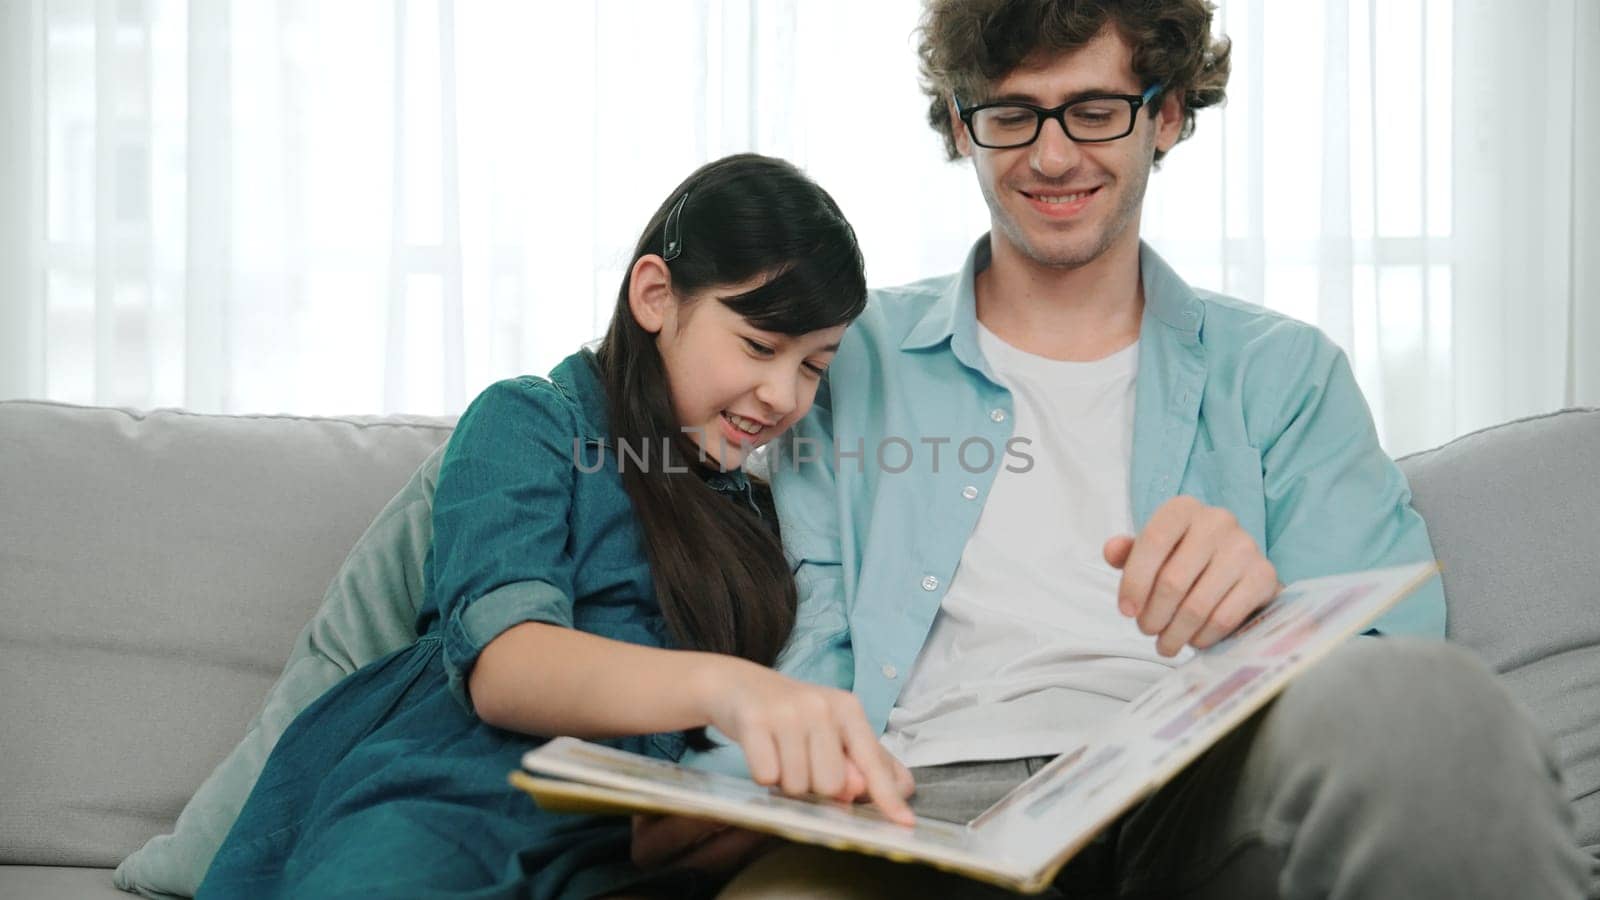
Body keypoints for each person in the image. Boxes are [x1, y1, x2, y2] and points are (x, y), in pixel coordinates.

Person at [644, 3, 1595, 898]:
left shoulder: (1283, 373)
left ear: (1168, 113)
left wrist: (1265, 614)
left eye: (1094, 111)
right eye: (1013, 114)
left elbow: (1396, 663)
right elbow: (808, 628)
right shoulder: (846, 359)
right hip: (915, 802)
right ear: (960, 124)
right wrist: (730, 780)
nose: (1053, 155)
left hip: (1194, 797)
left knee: (1422, 698)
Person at [196, 153, 915, 900]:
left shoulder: (761, 519)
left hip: (616, 846)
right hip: (455, 801)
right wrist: (727, 688)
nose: (782, 394)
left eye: (814, 366)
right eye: (760, 347)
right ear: (656, 295)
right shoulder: (532, 422)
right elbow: (506, 667)